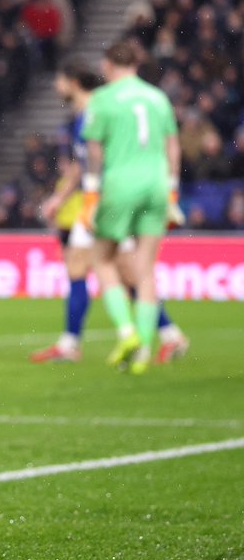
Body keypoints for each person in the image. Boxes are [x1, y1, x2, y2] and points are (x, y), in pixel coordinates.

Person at [35, 62, 188, 364]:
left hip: (112, 200)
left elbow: (105, 158)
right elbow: (83, 163)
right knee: (79, 266)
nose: (55, 86)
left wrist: (99, 199)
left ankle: (167, 335)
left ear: (73, 82)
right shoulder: (87, 113)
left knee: (127, 273)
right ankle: (71, 343)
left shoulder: (100, 108)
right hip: (101, 200)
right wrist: (60, 197)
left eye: (58, 80)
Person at [81, 42, 183, 374]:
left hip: (121, 184)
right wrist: (171, 189)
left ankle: (127, 333)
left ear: (109, 65)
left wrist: (91, 195)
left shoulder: (103, 98)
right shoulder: (157, 97)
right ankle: (144, 352)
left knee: (103, 258)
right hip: (156, 184)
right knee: (145, 267)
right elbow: (172, 144)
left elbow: (94, 151)